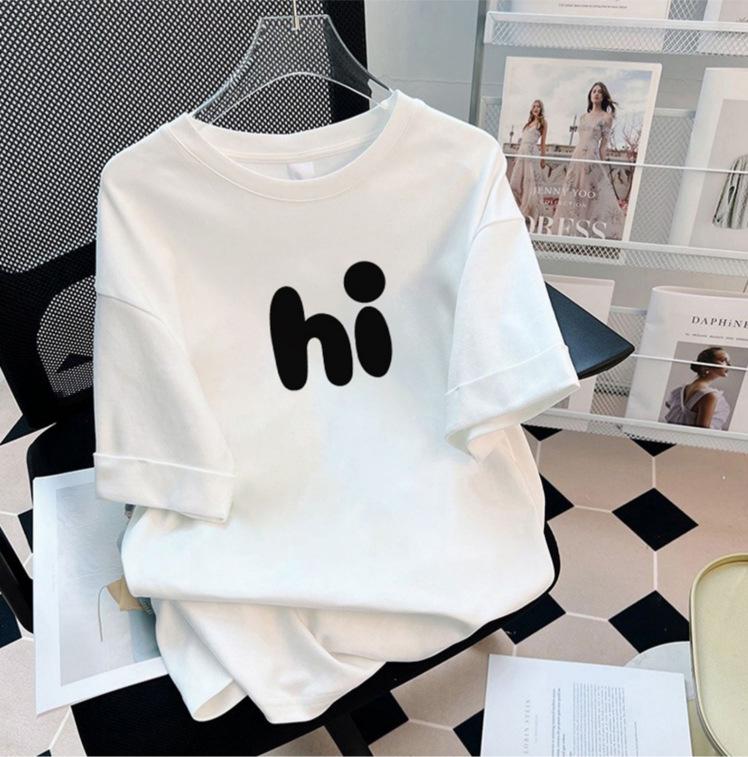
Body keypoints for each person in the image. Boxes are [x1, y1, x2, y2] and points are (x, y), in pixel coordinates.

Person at [551, 82, 625, 240]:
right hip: (577, 156)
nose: (596, 94)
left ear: (603, 96)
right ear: (590, 95)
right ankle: (572, 232)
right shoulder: (583, 117)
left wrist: (603, 165)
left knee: (588, 195)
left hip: (591, 158)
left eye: (599, 92)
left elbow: (603, 145)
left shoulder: (606, 117)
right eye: (594, 91)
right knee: (574, 192)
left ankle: (586, 233)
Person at [663, 346, 732, 430]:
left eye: (728, 362)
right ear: (707, 366)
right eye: (723, 360)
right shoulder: (709, 396)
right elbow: (701, 432)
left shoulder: (678, 391)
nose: (729, 365)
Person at [509, 99, 547, 227]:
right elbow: (523, 141)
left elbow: (543, 143)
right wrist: (517, 156)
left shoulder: (542, 123)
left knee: (530, 183)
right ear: (531, 109)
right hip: (522, 154)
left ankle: (528, 213)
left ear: (541, 109)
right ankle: (518, 209)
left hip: (531, 153)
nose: (536, 108)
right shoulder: (528, 124)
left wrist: (543, 159)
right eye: (534, 106)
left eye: (538, 106)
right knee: (515, 182)